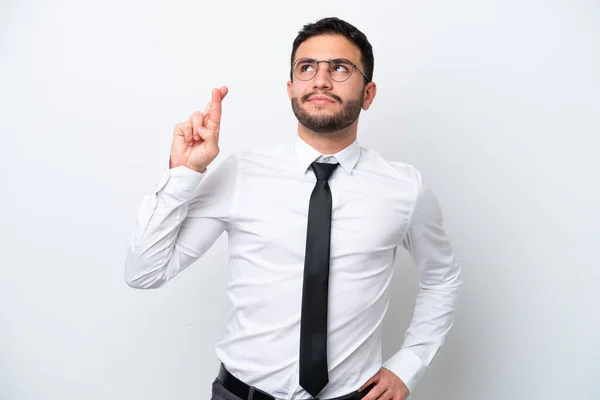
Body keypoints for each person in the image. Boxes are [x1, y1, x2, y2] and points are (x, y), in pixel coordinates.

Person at [125, 16, 462, 400]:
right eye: (307, 68)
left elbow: (442, 278)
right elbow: (144, 272)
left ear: (368, 94)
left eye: (339, 68)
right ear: (290, 89)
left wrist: (409, 365)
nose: (320, 80)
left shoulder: (404, 188)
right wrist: (186, 172)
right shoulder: (240, 174)